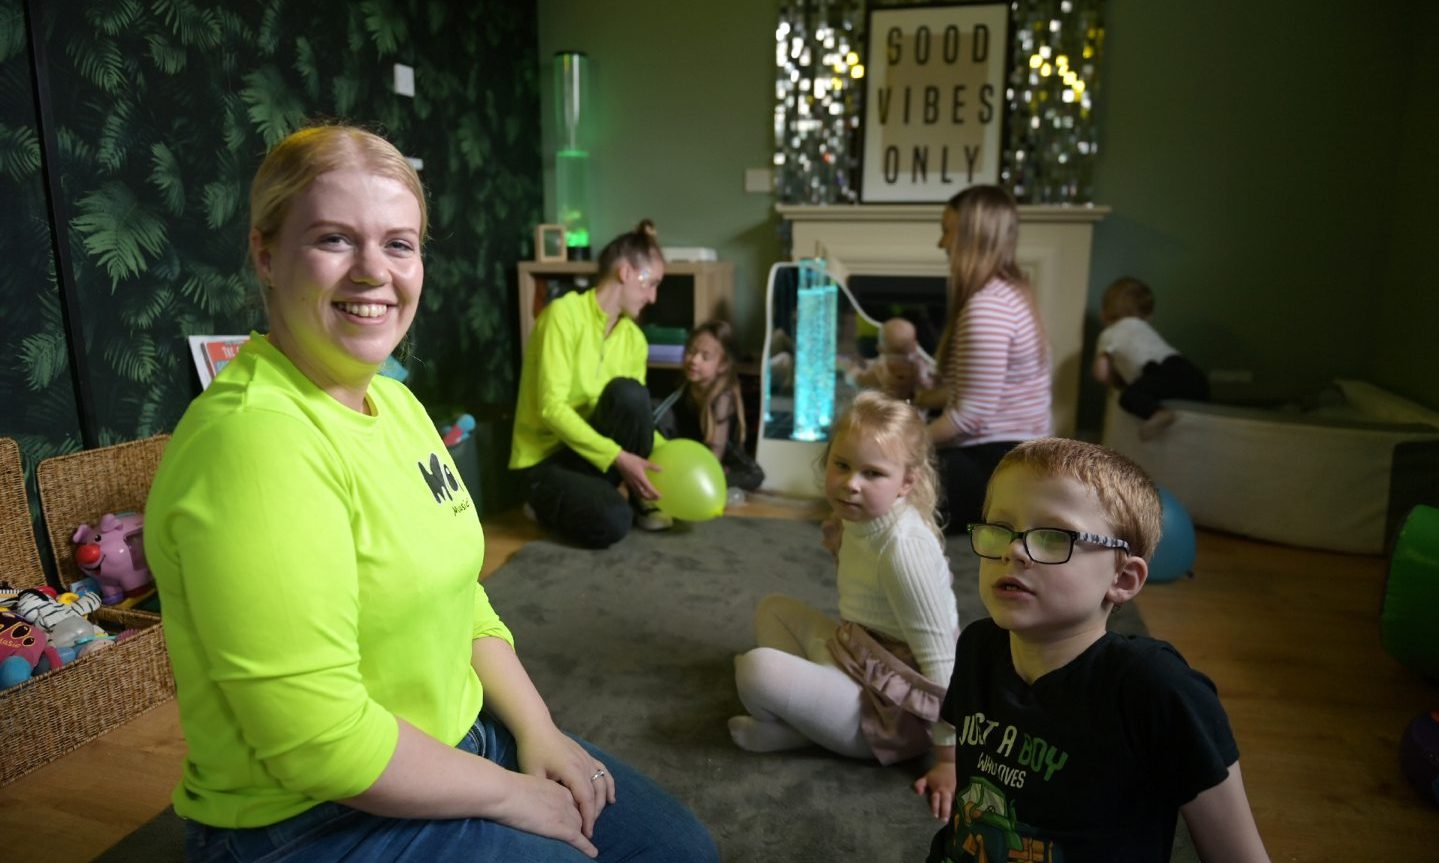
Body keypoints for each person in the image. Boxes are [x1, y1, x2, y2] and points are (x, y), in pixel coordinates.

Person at [144, 125, 717, 863]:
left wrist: (538, 730)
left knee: (681, 849)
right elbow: (322, 743)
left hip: (452, 739)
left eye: (399, 244)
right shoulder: (254, 443)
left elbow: (462, 599)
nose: (372, 272)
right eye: (333, 239)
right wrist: (510, 793)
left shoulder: (399, 405)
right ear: (265, 252)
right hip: (310, 818)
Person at [916, 438, 1269, 862]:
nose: (1012, 550)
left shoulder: (1158, 690)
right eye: (1001, 528)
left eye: (1052, 536)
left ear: (1122, 579)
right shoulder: (978, 647)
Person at [729, 392, 959, 789]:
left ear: (907, 482)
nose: (851, 483)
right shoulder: (857, 518)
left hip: (891, 711)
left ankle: (805, 730)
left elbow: (942, 660)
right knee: (773, 609)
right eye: (842, 465)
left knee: (756, 669)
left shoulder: (903, 547)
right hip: (859, 653)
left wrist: (949, 760)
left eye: (873, 474)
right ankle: (807, 724)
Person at [510, 221, 672, 548]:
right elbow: (550, 409)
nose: (653, 297)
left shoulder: (634, 339)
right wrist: (620, 459)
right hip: (545, 461)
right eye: (650, 283)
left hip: (593, 457)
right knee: (613, 522)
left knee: (631, 394)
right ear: (625, 273)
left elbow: (637, 419)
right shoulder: (563, 316)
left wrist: (668, 460)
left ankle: (637, 498)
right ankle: (541, 505)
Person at [913, 185, 1051, 534]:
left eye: (947, 231)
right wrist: (919, 398)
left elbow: (971, 416)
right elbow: (976, 396)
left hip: (997, 463)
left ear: (972, 236)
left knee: (883, 483)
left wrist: (904, 441)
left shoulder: (987, 308)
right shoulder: (1012, 293)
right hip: (1013, 456)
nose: (941, 244)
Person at [653, 320, 764, 492]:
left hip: (716, 455)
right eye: (691, 351)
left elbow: (716, 450)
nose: (694, 360)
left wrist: (706, 473)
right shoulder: (682, 386)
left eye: (705, 357)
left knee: (753, 474)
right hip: (686, 448)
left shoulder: (723, 397)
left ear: (722, 365)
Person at [1093, 276, 1209, 440]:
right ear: (1148, 317)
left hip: (1159, 372)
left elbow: (1101, 373)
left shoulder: (1109, 333)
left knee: (1129, 396)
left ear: (1104, 316)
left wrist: (1114, 383)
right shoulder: (1144, 328)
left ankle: (1160, 413)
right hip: (1192, 374)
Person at [846, 317, 936, 403]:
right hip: (912, 411)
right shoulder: (919, 365)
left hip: (885, 410)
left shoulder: (881, 367)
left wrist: (853, 374)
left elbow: (861, 380)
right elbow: (928, 383)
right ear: (915, 346)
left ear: (879, 348)